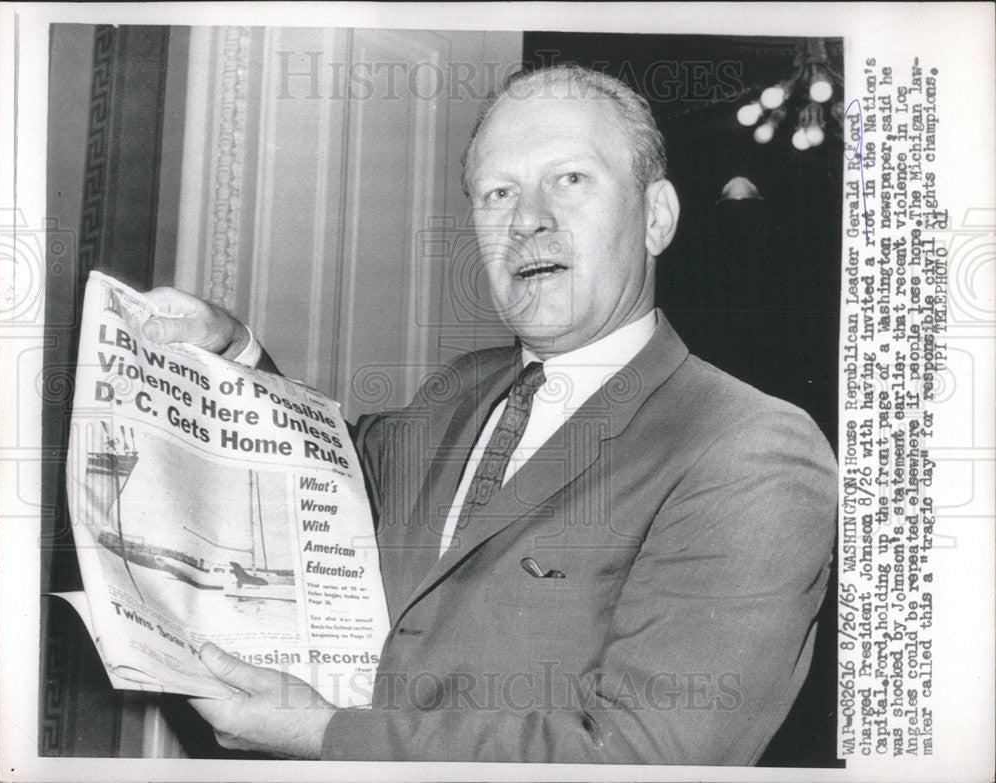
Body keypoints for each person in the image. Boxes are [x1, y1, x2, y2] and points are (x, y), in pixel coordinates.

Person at [142, 64, 837, 764]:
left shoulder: (750, 449)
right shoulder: (459, 391)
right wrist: (234, 354)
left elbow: (639, 756)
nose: (528, 218)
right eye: (498, 192)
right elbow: (323, 478)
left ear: (656, 217)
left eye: (570, 179)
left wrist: (321, 733)